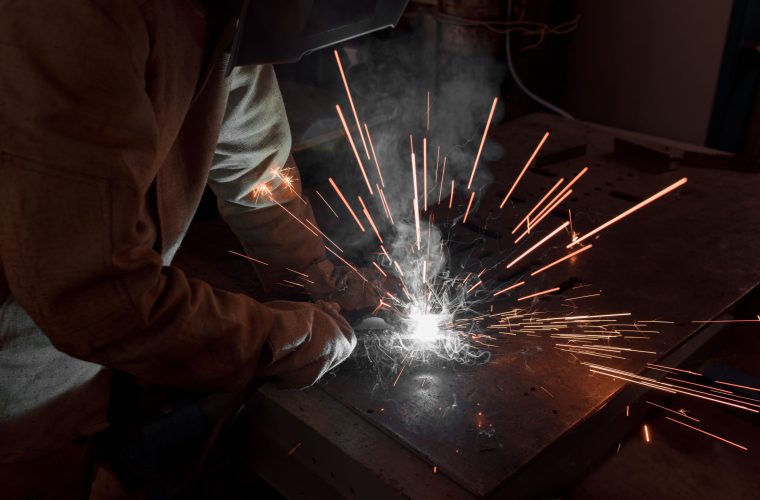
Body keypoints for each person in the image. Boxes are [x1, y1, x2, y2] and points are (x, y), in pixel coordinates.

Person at [0, 0, 406, 497]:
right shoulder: (78, 18)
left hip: (81, 369)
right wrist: (284, 340)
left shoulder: (222, 16)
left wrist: (315, 274)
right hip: (16, 382)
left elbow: (259, 174)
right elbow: (98, 301)